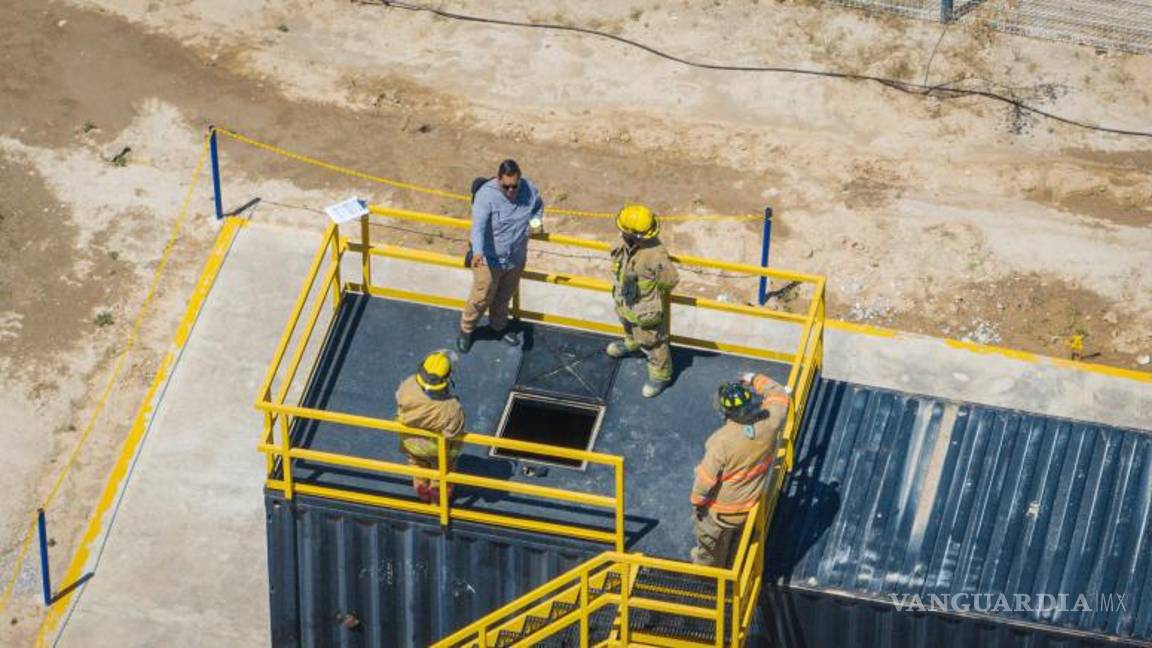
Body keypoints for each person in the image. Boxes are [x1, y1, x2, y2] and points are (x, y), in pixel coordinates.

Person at [689, 373, 790, 567]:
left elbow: (704, 481)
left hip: (719, 515)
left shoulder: (721, 442)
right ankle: (735, 559)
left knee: (710, 548)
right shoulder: (770, 423)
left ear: (725, 411)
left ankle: (707, 574)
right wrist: (753, 378)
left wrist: (698, 504)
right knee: (738, 541)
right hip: (750, 506)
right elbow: (778, 395)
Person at [457, 159, 543, 353]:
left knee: (504, 296)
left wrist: (536, 220)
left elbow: (538, 206)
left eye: (515, 186)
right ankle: (466, 330)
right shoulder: (486, 196)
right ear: (498, 180)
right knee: (481, 296)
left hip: (515, 258)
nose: (511, 191)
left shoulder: (529, 189)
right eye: (506, 186)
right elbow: (477, 227)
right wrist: (478, 251)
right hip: (488, 259)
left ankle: (498, 327)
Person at [605, 204, 680, 398]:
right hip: (626, 302)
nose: (620, 231)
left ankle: (661, 375)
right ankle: (633, 345)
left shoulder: (655, 254)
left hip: (645, 308)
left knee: (654, 341)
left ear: (637, 235)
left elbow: (670, 280)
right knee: (628, 325)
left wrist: (652, 296)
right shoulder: (625, 241)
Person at [395, 351, 466, 503]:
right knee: (442, 473)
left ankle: (422, 493)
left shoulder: (408, 385)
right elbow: (454, 431)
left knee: (417, 467)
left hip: (411, 443)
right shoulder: (452, 408)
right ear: (447, 378)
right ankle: (438, 500)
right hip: (438, 450)